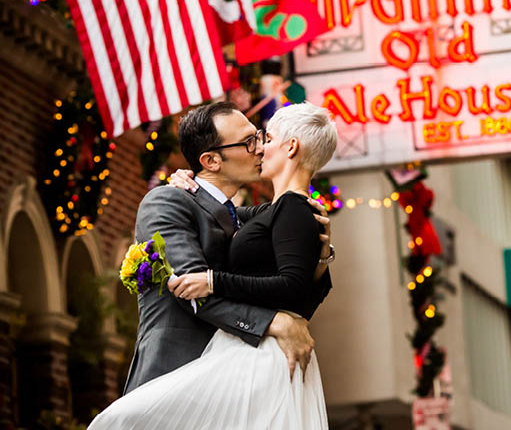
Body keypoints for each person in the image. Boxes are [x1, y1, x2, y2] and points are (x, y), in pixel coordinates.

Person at [90, 101, 338, 429]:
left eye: (261, 138)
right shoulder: (168, 201)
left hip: (241, 379)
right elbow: (191, 288)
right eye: (249, 142)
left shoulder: (249, 215)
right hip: (179, 372)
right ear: (211, 160)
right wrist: (274, 322)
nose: (260, 148)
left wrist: (321, 254)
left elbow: (291, 276)